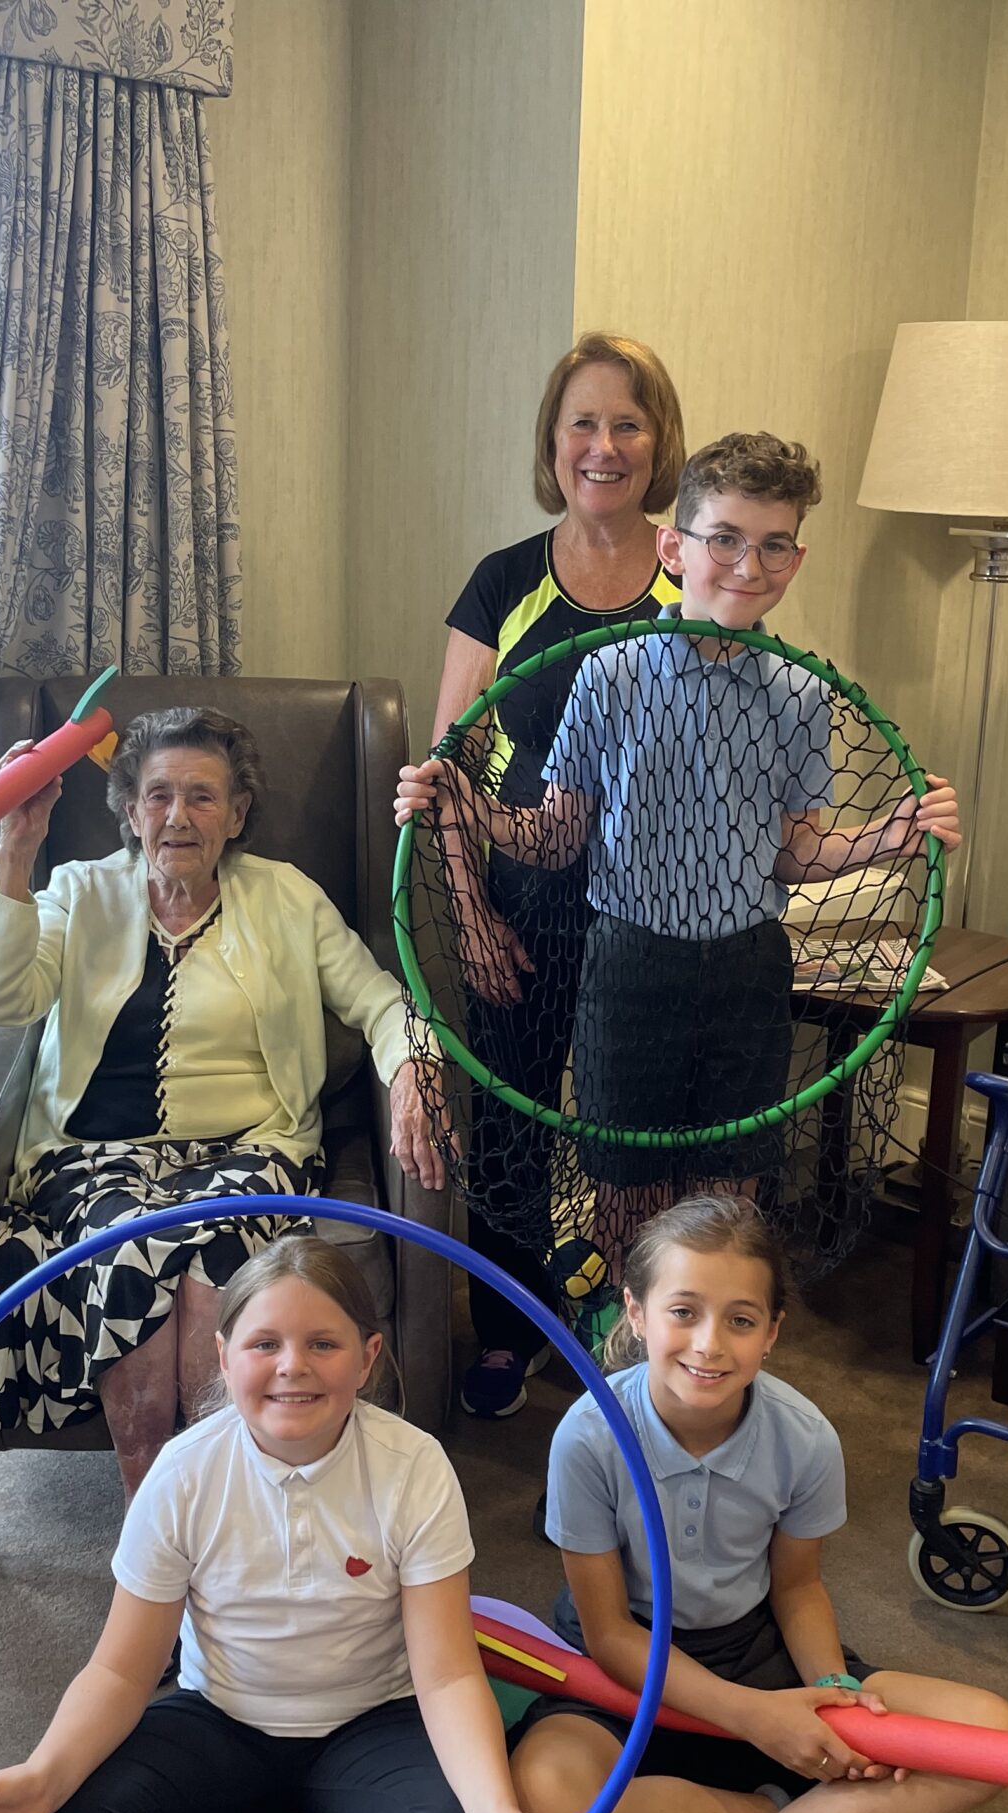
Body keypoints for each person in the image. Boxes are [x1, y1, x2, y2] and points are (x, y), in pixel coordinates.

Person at [398, 432, 960, 1279]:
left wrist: (897, 831)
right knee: (626, 1198)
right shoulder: (610, 675)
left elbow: (793, 852)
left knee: (728, 1205)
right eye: (724, 537)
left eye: (774, 544)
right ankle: (633, 1378)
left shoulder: (801, 694)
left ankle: (706, 1373)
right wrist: (461, 799)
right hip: (628, 966)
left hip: (747, 970)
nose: (747, 563)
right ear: (676, 548)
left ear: (797, 559)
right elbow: (555, 837)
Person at [0, 1236, 588, 1813]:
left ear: (367, 1359)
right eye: (264, 1344)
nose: (292, 1367)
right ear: (223, 1356)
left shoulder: (414, 1468)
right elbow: (121, 1672)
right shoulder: (184, 1473)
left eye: (323, 1345)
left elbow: (447, 1673)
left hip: (375, 1722)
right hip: (221, 1716)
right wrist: (42, 1777)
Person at [0, 705, 446, 1492]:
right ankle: (158, 1523)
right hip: (94, 1157)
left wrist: (410, 1077)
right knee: (128, 1248)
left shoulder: (288, 897)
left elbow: (381, 1002)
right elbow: (0, 1001)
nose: (178, 815)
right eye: (158, 796)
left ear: (237, 814)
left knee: (213, 1252)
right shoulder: (78, 891)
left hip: (251, 1148)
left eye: (201, 796)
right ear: (129, 812)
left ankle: (220, 1517)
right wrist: (15, 855)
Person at [507, 1196, 1008, 1813]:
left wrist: (832, 1691)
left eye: (741, 1320)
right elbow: (611, 1636)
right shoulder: (589, 1436)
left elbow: (799, 1588)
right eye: (683, 1312)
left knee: (996, 1734)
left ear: (773, 1332)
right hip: (618, 1673)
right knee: (552, 1805)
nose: (710, 1344)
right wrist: (761, 1722)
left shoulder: (804, 1438)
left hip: (756, 1653)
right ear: (635, 1312)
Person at [428, 332, 686, 1420]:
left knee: (633, 1130)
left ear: (658, 442)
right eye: (582, 421)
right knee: (512, 1126)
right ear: (553, 440)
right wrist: (472, 908)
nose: (604, 444)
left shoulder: (693, 574)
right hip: (520, 901)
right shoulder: (501, 583)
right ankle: (505, 1327)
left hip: (653, 912)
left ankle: (629, 1326)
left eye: (627, 423)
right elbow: (448, 769)